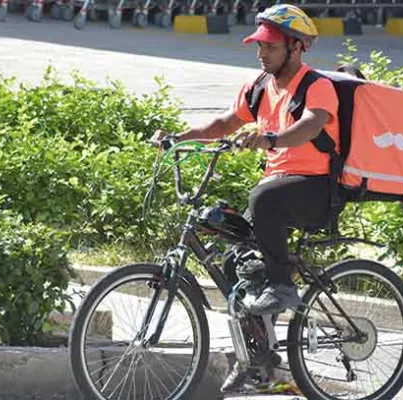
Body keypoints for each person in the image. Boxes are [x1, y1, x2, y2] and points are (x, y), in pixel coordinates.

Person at [151, 5, 340, 390]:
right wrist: (177, 139)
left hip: (316, 187)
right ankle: (260, 360)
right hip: (281, 185)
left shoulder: (316, 86)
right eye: (259, 45)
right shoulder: (258, 88)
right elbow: (222, 123)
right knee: (236, 260)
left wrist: (270, 139)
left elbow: (310, 125)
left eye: (270, 46)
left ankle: (282, 286)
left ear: (296, 47)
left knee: (264, 198)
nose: (261, 53)